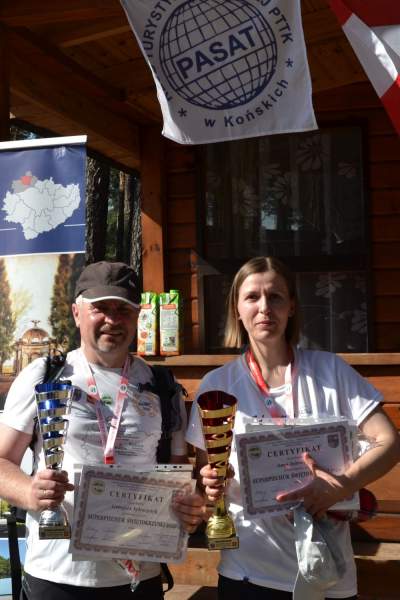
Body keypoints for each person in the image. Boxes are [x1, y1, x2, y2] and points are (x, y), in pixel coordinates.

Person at [186, 256, 400, 600]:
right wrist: (210, 482)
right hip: (248, 573)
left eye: (275, 297)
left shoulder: (331, 371)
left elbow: (389, 442)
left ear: (292, 306)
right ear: (237, 309)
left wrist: (343, 485)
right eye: (252, 297)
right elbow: (205, 473)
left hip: (328, 575)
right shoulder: (218, 384)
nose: (264, 307)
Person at [0, 260, 205, 600]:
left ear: (137, 316)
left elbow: (179, 471)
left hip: (140, 576)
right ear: (76, 313)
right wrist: (29, 492)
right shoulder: (44, 376)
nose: (112, 319)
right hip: (58, 576)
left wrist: (189, 504)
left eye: (123, 309)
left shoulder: (162, 385)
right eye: (100, 308)